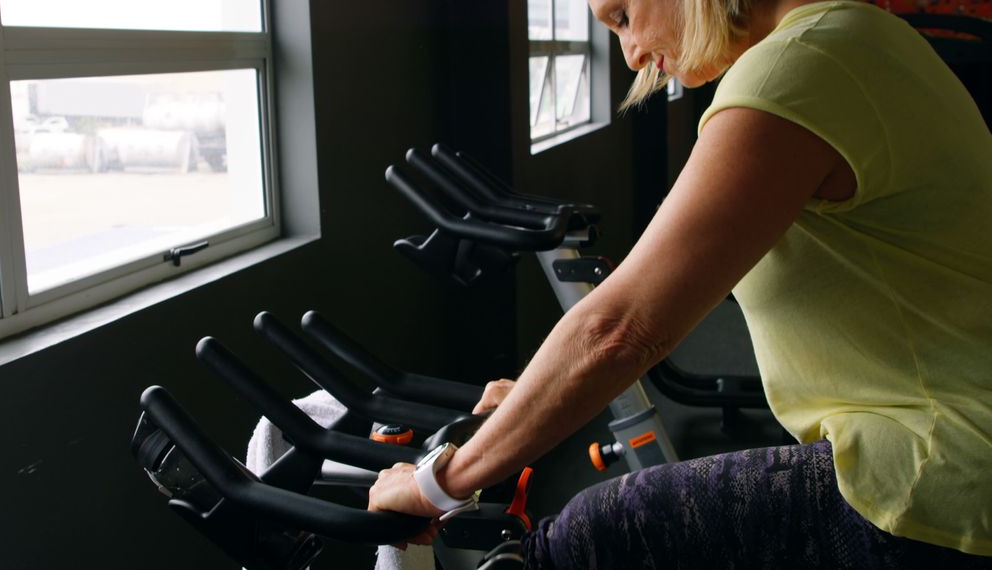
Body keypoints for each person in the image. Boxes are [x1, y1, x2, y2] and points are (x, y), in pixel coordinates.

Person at [368, 0, 992, 566]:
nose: (631, 53)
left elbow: (621, 329)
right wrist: (534, 396)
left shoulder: (796, 70)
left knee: (594, 536)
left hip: (941, 476)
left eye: (622, 18)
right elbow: (657, 295)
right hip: (949, 446)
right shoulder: (859, 33)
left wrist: (440, 480)